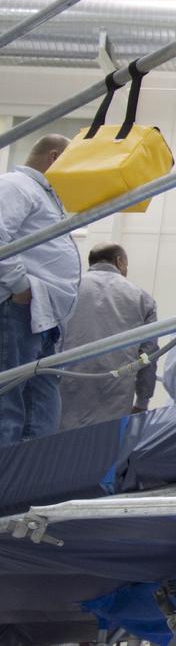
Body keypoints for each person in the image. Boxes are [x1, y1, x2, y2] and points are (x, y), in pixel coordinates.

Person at [0, 134, 81, 442]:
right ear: (54, 157)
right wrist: (20, 286)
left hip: (41, 314)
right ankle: (8, 486)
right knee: (10, 407)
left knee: (41, 411)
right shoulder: (16, 186)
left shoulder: (44, 196)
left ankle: (33, 484)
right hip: (18, 307)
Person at [57, 243, 159, 430]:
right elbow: (148, 355)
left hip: (65, 386)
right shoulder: (142, 298)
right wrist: (142, 400)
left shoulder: (67, 289)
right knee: (105, 452)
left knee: (60, 452)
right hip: (115, 393)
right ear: (120, 262)